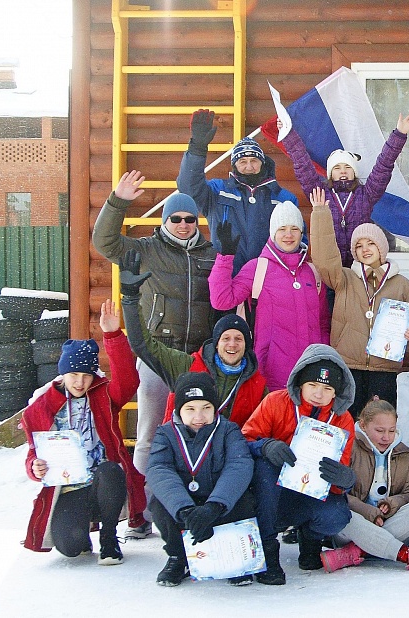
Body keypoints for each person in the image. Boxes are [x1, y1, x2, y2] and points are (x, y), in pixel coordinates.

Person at [91, 171, 215, 539]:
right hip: (157, 354)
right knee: (150, 432)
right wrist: (117, 200)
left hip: (196, 360)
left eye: (189, 218)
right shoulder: (144, 249)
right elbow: (104, 241)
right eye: (175, 219)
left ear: (197, 221)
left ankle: (193, 506)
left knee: (199, 433)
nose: (182, 224)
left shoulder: (210, 253)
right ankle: (143, 511)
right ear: (165, 221)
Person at [21, 301, 147, 563]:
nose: (79, 382)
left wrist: (112, 335)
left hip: (104, 479)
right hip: (69, 485)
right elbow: (34, 453)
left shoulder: (103, 396)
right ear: (62, 373)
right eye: (73, 374)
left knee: (111, 471)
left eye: (86, 376)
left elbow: (127, 381)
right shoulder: (40, 409)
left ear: (94, 376)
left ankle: (110, 537)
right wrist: (35, 467)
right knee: (70, 548)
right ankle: (82, 528)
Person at [241, 344, 358, 584]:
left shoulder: (343, 420)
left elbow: (339, 479)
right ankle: (267, 549)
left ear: (336, 392)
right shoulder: (275, 402)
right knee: (266, 465)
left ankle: (310, 537)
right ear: (300, 382)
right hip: (269, 493)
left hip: (309, 494)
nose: (318, 393)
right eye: (313, 385)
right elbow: (244, 440)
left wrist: (344, 479)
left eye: (326, 388)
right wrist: (264, 446)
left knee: (336, 516)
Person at [119, 250, 266, 428]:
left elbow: (261, 431)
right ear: (216, 342)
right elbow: (142, 344)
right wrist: (130, 299)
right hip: (182, 451)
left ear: (246, 345)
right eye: (226, 338)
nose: (232, 344)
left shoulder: (257, 384)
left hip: (229, 452)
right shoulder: (187, 366)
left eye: (239, 339)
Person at [309, 187, 409, 414]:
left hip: (385, 369)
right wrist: (321, 214)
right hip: (349, 366)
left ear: (381, 247)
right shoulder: (345, 278)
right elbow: (324, 258)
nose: (364, 249)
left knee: (381, 426)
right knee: (349, 424)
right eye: (359, 246)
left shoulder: (402, 284)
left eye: (370, 243)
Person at [146, 372, 257, 586]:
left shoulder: (228, 430)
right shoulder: (165, 434)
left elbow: (239, 465)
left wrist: (214, 506)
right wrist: (184, 509)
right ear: (179, 410)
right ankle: (178, 557)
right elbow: (159, 469)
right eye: (190, 409)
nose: (199, 416)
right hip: (185, 501)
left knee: (244, 501)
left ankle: (234, 559)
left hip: (218, 502)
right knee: (159, 504)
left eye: (206, 408)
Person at [208, 201, 330, 392]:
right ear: (273, 232)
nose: (288, 235)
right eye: (282, 229)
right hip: (270, 375)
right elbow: (222, 300)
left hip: (310, 376)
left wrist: (324, 360)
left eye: (294, 229)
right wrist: (225, 257)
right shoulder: (258, 268)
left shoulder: (312, 272)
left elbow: (323, 324)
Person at [270, 113, 409, 267]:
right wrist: (288, 135)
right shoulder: (320, 193)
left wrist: (399, 135)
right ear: (330, 174)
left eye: (347, 167)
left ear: (354, 172)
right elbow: (302, 164)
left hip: (359, 268)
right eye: (337, 168)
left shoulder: (366, 194)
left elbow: (384, 165)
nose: (342, 171)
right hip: (329, 269)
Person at [319, 399, 409, 573]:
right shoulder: (350, 447)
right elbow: (337, 493)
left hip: (389, 522)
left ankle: (356, 552)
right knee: (343, 515)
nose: (386, 437)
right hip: (355, 528)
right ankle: (406, 555)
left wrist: (394, 502)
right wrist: (367, 511)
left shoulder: (403, 452)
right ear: (363, 425)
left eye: (391, 431)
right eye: (379, 431)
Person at [178, 110, 297, 274]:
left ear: (262, 163)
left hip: (269, 279)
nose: (249, 166)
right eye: (243, 161)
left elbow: (298, 241)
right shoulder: (217, 191)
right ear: (234, 165)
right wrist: (197, 147)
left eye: (254, 160)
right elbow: (188, 187)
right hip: (227, 276)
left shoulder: (283, 198)